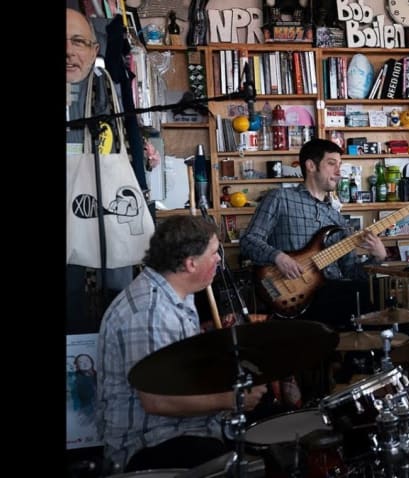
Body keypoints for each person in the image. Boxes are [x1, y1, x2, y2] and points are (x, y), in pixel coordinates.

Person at [96, 215, 267, 473]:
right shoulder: (148, 313)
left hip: (182, 428)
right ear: (190, 263)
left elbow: (179, 362)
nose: (219, 259)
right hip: (149, 445)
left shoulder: (177, 293)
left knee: (271, 418)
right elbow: (157, 401)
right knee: (247, 459)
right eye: (213, 253)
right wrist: (233, 399)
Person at [240, 138, 388, 329]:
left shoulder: (337, 219)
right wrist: (278, 257)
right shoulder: (280, 198)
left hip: (334, 294)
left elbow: (351, 273)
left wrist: (378, 257)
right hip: (290, 294)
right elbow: (248, 241)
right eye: (331, 163)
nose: (338, 172)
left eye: (340, 165)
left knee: (381, 294)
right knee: (371, 298)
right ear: (311, 165)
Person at [66, 7, 134, 334]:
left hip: (104, 216)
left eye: (78, 41)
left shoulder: (107, 87)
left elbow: (118, 139)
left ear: (94, 50)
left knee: (115, 301)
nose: (69, 51)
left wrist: (140, 153)